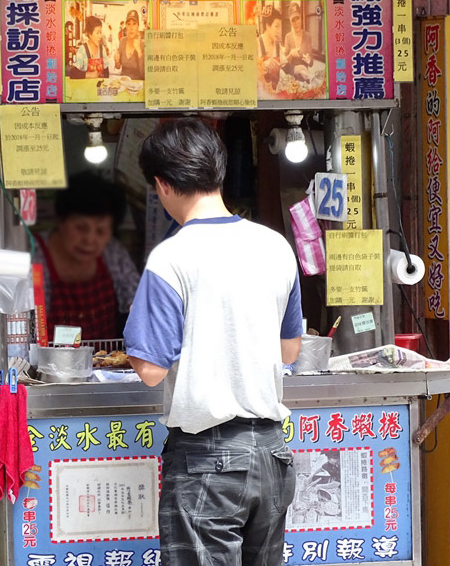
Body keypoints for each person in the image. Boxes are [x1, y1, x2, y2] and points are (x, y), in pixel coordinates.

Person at [124, 117, 303, 566]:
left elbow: (150, 371)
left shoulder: (171, 257)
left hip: (208, 459)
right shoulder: (275, 246)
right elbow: (290, 351)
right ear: (218, 173)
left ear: (162, 185)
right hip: (271, 453)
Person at [34, 172, 140, 341]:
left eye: (101, 231)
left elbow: (136, 302)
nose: (90, 240)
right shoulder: (36, 255)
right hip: (47, 363)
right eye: (81, 228)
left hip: (105, 360)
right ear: (61, 221)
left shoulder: (112, 253)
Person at [282, 1, 315, 80]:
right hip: (291, 78)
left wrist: (308, 59)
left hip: (305, 77)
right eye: (293, 20)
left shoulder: (308, 36)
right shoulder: (288, 37)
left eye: (298, 18)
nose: (296, 23)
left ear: (301, 18)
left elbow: (311, 63)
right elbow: (284, 62)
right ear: (290, 22)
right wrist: (291, 54)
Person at [113, 9, 145, 80]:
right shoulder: (122, 41)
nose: (131, 28)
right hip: (123, 82)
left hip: (137, 85)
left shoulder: (143, 44)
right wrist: (116, 60)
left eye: (134, 24)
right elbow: (118, 67)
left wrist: (139, 52)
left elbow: (143, 75)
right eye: (128, 24)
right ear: (126, 26)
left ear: (138, 26)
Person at [257, 7, 283, 90]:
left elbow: (287, 66)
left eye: (280, 27)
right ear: (267, 26)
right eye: (276, 26)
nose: (279, 31)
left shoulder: (278, 46)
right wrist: (263, 65)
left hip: (274, 94)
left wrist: (298, 69)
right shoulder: (256, 44)